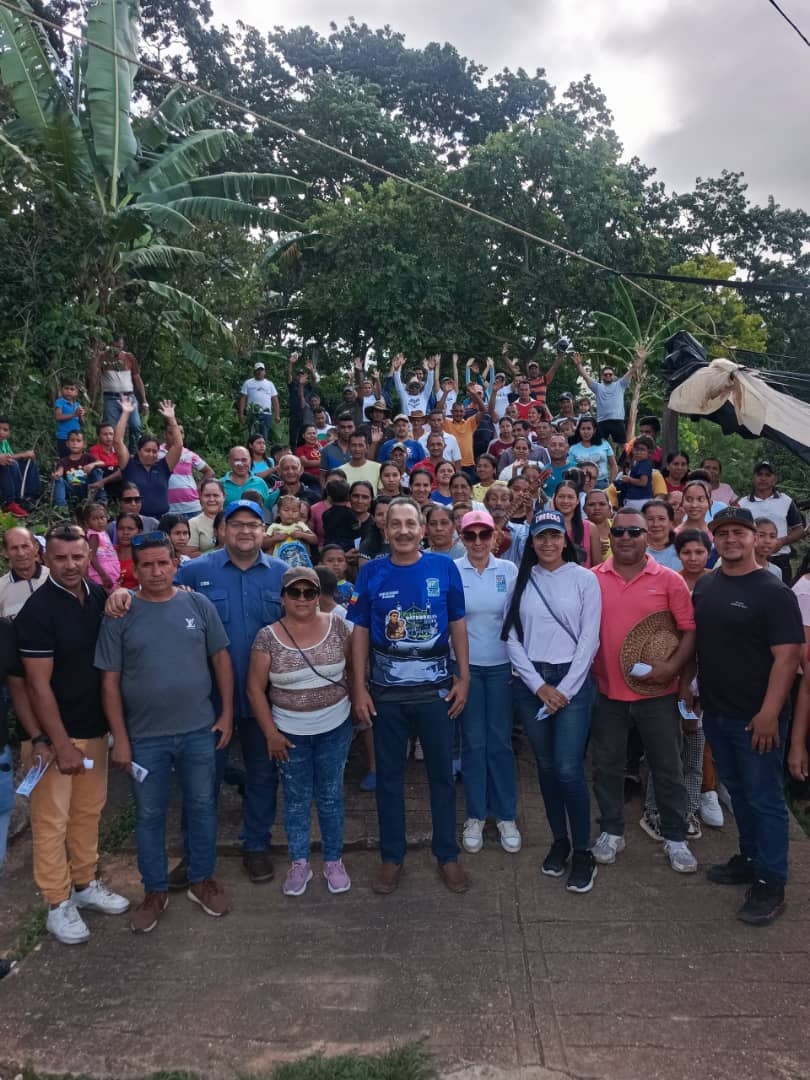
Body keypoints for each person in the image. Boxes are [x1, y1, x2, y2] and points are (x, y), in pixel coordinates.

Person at [96, 531, 233, 932]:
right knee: (150, 815)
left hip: (198, 730)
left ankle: (201, 879)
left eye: (163, 563)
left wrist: (226, 714)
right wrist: (120, 739)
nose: (156, 572)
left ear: (176, 564)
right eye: (147, 565)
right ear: (135, 570)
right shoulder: (120, 614)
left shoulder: (198, 604)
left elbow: (221, 659)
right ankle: (154, 890)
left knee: (202, 806)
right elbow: (109, 683)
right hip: (145, 738)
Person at [349, 497, 470, 895]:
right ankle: (391, 856)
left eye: (410, 524)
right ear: (385, 530)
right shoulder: (371, 572)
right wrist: (359, 687)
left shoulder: (444, 568)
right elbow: (360, 631)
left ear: (422, 530)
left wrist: (464, 677)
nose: (403, 531)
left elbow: (457, 624)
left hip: (437, 692)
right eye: (395, 524)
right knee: (389, 778)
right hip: (386, 695)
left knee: (441, 776)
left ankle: (447, 855)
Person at [15, 523, 129, 944]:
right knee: (52, 823)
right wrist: (58, 743)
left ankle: (84, 884)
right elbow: (35, 685)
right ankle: (56, 903)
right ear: (45, 558)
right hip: (54, 741)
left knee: (88, 813)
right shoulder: (38, 610)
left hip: (93, 729)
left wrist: (121, 591)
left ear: (89, 556)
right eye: (60, 557)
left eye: (77, 556)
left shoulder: (96, 596)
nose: (69, 565)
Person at [691, 507, 804, 924]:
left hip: (757, 719)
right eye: (723, 533)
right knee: (738, 792)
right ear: (714, 539)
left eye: (739, 532)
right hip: (717, 710)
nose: (731, 539)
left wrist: (770, 713)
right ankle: (750, 857)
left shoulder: (774, 592)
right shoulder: (707, 585)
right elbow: (703, 643)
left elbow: (788, 657)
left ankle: (771, 882)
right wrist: (694, 688)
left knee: (765, 799)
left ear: (755, 538)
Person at [589, 508, 698, 874]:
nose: (626, 538)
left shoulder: (669, 580)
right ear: (610, 537)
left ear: (647, 537)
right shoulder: (592, 578)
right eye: (619, 532)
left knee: (667, 767)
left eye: (634, 532)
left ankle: (675, 836)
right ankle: (611, 831)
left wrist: (672, 668)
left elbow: (689, 630)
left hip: (658, 694)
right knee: (607, 766)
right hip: (606, 692)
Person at [504, 509, 601, 891]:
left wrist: (565, 690)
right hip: (532, 685)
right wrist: (538, 686)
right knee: (545, 767)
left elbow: (589, 638)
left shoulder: (584, 579)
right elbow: (511, 636)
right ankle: (559, 840)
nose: (548, 543)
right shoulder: (522, 578)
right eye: (541, 536)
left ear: (565, 539)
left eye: (554, 535)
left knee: (568, 769)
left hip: (572, 683)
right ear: (532, 541)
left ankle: (584, 851)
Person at [247, 567, 354, 896]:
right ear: (283, 598)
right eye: (295, 592)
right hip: (289, 733)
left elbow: (353, 669)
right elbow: (254, 688)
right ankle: (299, 862)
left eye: (310, 592)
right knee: (295, 800)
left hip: (335, 726)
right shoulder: (267, 636)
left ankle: (333, 860)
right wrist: (270, 733)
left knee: (331, 796)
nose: (303, 598)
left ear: (319, 595)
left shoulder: (338, 625)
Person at [454, 510, 520, 855]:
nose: (477, 542)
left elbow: (518, 619)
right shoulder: (452, 570)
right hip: (465, 669)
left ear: (495, 537)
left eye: (484, 535)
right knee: (473, 743)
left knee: (500, 743)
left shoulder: (508, 570)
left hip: (501, 667)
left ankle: (506, 814)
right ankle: (476, 814)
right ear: (462, 538)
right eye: (470, 535)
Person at [736, 461, 805, 583]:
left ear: (775, 479)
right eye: (759, 474)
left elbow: (799, 530)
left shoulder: (786, 501)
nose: (763, 478)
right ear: (753, 478)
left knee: (780, 593)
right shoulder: (743, 504)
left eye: (768, 475)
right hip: (751, 559)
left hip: (780, 559)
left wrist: (782, 541)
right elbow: (738, 532)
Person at [114, 399, 182, 519]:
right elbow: (117, 441)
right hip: (135, 521)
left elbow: (178, 446)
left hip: (162, 520)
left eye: (154, 451)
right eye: (147, 450)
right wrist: (126, 413)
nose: (151, 454)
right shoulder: (129, 465)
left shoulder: (163, 467)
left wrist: (172, 419)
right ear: (139, 451)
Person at [572, 348, 646, 446]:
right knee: (598, 445)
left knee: (623, 445)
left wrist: (640, 359)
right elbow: (585, 376)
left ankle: (626, 457)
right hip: (602, 421)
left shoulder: (620, 384)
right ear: (602, 376)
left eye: (610, 374)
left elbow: (632, 370)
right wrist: (578, 365)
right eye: (605, 374)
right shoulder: (598, 387)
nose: (608, 376)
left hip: (617, 420)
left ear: (613, 376)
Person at [88, 336, 148, 444]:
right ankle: (115, 451)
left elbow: (137, 378)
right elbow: (94, 376)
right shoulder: (103, 357)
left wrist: (144, 401)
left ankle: (133, 451)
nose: (117, 349)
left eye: (120, 347)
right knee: (111, 428)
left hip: (129, 397)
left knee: (135, 425)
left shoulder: (128, 357)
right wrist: (97, 357)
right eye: (115, 347)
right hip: (110, 398)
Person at [159, 426, 212, 519]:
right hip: (167, 509)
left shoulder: (189, 454)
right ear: (165, 435)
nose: (177, 436)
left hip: (192, 507)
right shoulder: (156, 453)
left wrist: (198, 488)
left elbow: (209, 472)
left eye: (181, 433)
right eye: (172, 433)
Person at [0, 527, 49, 618]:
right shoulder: (1, 588)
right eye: (14, 548)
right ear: (5, 553)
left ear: (36, 547)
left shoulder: (55, 578)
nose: (21, 553)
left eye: (25, 546)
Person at [52, 430, 107, 508]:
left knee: (97, 470)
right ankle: (61, 508)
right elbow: (59, 471)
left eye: (78, 441)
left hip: (88, 488)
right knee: (58, 480)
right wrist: (56, 475)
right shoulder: (63, 461)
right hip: (72, 489)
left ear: (84, 445)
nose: (75, 443)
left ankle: (101, 500)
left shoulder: (88, 457)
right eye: (72, 440)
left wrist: (92, 464)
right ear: (67, 444)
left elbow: (102, 463)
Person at [553, 480, 601, 567]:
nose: (565, 501)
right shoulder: (547, 527)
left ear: (578, 500)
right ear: (554, 499)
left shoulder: (590, 528)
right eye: (561, 496)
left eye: (570, 497)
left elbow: (597, 565)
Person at [0, 416, 40, 515]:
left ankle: (29, 497)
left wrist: (24, 456)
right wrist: (22, 454)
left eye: (5, 430)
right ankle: (10, 502)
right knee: (11, 464)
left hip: (7, 469)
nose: (1, 432)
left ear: (9, 432)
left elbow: (10, 456)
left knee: (28, 462)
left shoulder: (4, 442)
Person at [79, 502, 121, 592]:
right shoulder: (94, 535)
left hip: (109, 570)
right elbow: (92, 557)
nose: (100, 522)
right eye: (95, 519)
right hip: (101, 572)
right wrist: (103, 576)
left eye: (102, 517)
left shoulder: (103, 532)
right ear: (87, 523)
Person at [221, 446, 275, 512]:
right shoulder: (220, 484)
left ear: (250, 460)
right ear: (229, 462)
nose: (241, 464)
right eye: (236, 460)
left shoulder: (260, 483)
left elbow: (266, 510)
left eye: (244, 460)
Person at [567, 416, 616, 488]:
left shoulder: (604, 444)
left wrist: (612, 484)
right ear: (579, 430)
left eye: (589, 428)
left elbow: (613, 465)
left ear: (594, 430)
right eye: (583, 429)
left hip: (602, 484)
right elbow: (570, 469)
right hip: (582, 484)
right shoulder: (573, 448)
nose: (586, 432)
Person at [239, 360, 280, 441]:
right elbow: (243, 399)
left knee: (264, 436)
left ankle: (264, 449)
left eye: (261, 370)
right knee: (252, 437)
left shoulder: (270, 384)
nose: (259, 372)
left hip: (266, 414)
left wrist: (277, 415)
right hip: (252, 413)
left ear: (264, 372)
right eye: (257, 370)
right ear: (254, 371)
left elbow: (275, 400)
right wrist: (241, 414)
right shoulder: (248, 383)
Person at [614, 436, 654, 510]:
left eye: (642, 450)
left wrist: (629, 479)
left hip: (640, 500)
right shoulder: (638, 463)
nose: (639, 452)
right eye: (636, 449)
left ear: (649, 453)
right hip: (635, 499)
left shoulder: (644, 464)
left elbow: (643, 482)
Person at [187, 479, 225, 556]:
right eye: (207, 496)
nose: (211, 499)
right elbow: (190, 555)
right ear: (200, 497)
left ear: (224, 496)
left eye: (215, 495)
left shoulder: (233, 519)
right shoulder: (193, 523)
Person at [644, 499, 681, 571]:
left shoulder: (682, 550)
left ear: (671, 522)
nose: (656, 524)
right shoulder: (636, 551)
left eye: (661, 519)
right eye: (650, 519)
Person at [53, 378, 86, 457]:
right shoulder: (60, 402)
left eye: (72, 389)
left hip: (76, 438)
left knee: (76, 458)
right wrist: (74, 414)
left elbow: (82, 423)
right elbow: (58, 417)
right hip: (64, 437)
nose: (69, 391)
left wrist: (80, 415)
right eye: (66, 388)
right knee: (65, 459)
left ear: (76, 392)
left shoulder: (77, 405)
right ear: (61, 390)